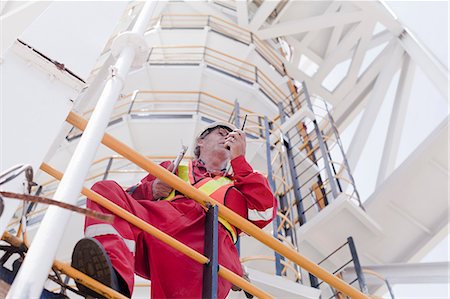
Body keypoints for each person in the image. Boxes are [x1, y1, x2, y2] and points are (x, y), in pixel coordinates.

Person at [71, 122, 277, 298]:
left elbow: (265, 212)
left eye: (233, 136)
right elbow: (126, 202)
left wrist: (239, 161)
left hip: (208, 246)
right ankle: (112, 281)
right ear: (201, 141)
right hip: (159, 224)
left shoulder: (240, 186)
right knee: (104, 192)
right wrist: (151, 189)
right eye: (221, 133)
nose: (228, 138)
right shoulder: (173, 169)